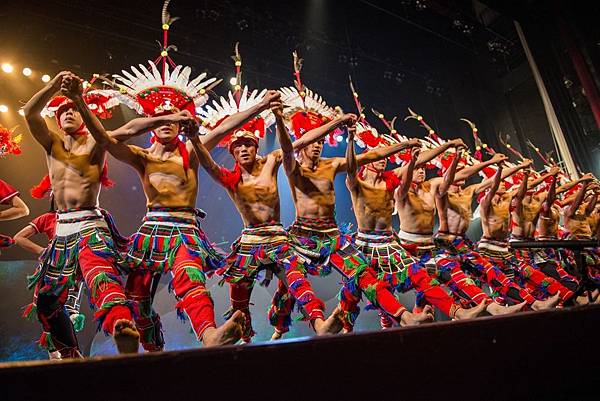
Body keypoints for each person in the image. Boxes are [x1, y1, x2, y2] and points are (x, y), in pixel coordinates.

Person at [191, 90, 345, 341]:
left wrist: (335, 123)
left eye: (248, 144)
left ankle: (319, 324)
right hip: (249, 241)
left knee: (297, 281)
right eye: (238, 145)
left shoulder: (272, 161)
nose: (243, 149)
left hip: (276, 238)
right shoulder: (231, 179)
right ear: (232, 152)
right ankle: (241, 338)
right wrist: (195, 139)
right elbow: (207, 163)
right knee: (239, 295)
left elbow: (300, 143)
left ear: (256, 146)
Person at [22, 71, 139, 357]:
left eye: (74, 110)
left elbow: (132, 127)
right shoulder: (51, 143)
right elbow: (29, 112)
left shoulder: (96, 142)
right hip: (61, 231)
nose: (69, 113)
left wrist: (78, 99)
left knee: (101, 278)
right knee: (47, 301)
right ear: (58, 120)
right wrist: (54, 86)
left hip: (90, 225)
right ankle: (71, 356)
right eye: (64, 111)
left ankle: (122, 326)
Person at [345, 124, 487, 328]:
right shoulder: (356, 182)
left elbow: (420, 160)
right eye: (379, 156)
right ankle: (344, 326)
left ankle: (457, 312)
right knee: (357, 290)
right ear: (368, 161)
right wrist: (350, 139)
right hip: (364, 243)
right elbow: (350, 165)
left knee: (419, 273)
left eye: (385, 156)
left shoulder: (390, 180)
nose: (384, 159)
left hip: (388, 242)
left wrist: (445, 146)